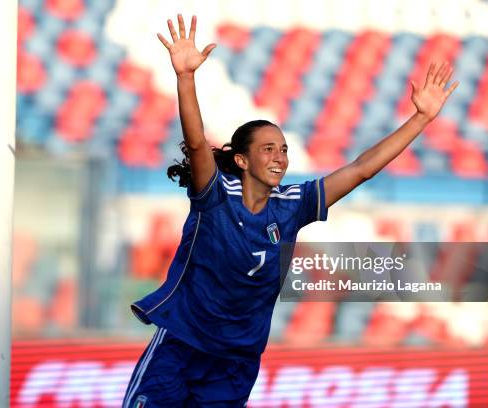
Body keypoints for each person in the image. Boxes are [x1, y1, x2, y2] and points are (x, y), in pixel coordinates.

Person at [122, 14, 458, 407]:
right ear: (243, 160)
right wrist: (185, 78)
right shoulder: (216, 195)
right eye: (268, 148)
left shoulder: (292, 205)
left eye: (283, 148)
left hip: (234, 364)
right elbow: (197, 145)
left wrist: (420, 118)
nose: (280, 157)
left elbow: (361, 169)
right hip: (183, 345)